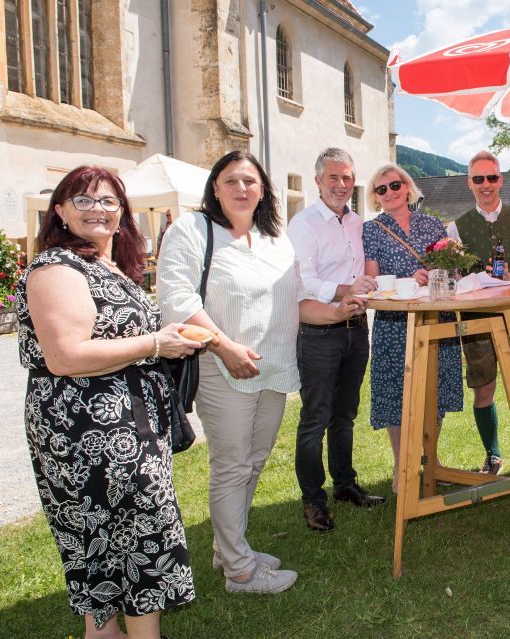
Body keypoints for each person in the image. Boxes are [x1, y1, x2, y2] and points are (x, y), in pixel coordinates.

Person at [18, 166, 198, 637]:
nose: (97, 209)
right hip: (88, 432)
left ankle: (105, 633)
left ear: (122, 213)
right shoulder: (56, 268)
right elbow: (66, 356)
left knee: (113, 540)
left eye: (108, 200)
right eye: (83, 200)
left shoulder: (107, 265)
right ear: (60, 211)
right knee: (127, 537)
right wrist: (155, 343)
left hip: (125, 425)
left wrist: (165, 339)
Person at [158, 151, 308, 594]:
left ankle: (229, 548)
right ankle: (240, 572)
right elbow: (177, 299)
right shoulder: (193, 229)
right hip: (222, 366)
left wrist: (342, 303)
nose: (241, 188)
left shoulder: (275, 238)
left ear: (263, 190)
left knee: (254, 462)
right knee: (232, 465)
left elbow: (294, 297)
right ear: (215, 188)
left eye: (250, 181)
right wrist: (224, 347)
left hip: (272, 368)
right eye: (231, 180)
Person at [287, 147, 384, 534]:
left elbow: (367, 273)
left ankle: (345, 484)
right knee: (315, 419)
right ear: (318, 181)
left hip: (356, 330)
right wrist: (347, 289)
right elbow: (305, 281)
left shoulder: (358, 223)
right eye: (333, 177)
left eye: (347, 177)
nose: (341, 184)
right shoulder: (304, 223)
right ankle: (313, 500)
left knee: (345, 414)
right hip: (319, 332)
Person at [362, 164, 463, 492]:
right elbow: (372, 280)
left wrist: (434, 273)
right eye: (381, 189)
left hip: (435, 318)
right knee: (395, 394)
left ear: (407, 187)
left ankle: (431, 460)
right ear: (376, 197)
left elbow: (451, 269)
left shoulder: (432, 224)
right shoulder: (372, 230)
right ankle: (401, 464)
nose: (389, 192)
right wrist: (408, 280)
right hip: (394, 324)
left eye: (395, 185)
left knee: (436, 388)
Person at [446, 150, 510, 475]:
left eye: (491, 177)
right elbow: (453, 282)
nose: (485, 184)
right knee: (483, 388)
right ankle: (493, 455)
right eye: (479, 179)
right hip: (476, 322)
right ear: (469, 183)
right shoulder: (456, 229)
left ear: (500, 180)